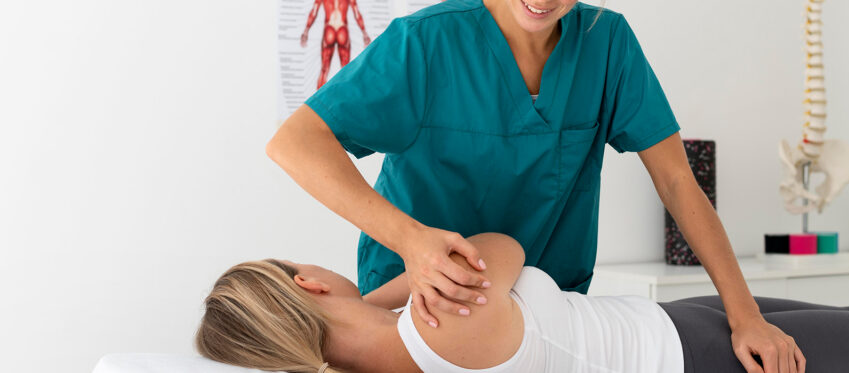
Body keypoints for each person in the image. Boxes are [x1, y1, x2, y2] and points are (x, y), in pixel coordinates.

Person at [266, 0, 800, 368]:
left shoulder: (606, 42)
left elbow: (678, 180)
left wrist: (745, 316)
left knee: (816, 322)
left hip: (548, 320)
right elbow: (295, 142)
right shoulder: (426, 43)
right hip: (422, 303)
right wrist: (411, 241)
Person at [195, 232, 849, 373]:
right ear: (307, 281)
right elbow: (507, 244)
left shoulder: (407, 340)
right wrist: (381, 292)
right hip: (705, 356)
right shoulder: (437, 316)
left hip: (680, 322)